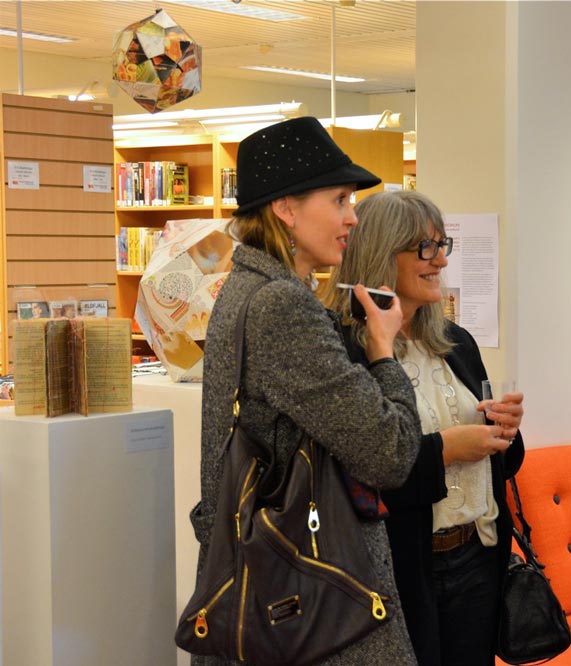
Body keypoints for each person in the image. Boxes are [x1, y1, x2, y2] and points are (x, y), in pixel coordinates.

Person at [189, 117, 423, 666]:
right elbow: (391, 452)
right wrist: (382, 350)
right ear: (286, 209)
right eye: (339, 199)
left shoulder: (247, 289)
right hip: (313, 603)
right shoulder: (281, 305)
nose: (352, 216)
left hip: (274, 587)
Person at [323, 190, 525, 666]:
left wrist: (505, 432)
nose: (440, 261)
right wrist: (446, 450)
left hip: (479, 555)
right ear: (380, 253)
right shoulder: (345, 352)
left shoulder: (456, 342)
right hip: (401, 566)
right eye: (424, 248)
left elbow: (507, 464)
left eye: (442, 245)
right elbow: (359, 474)